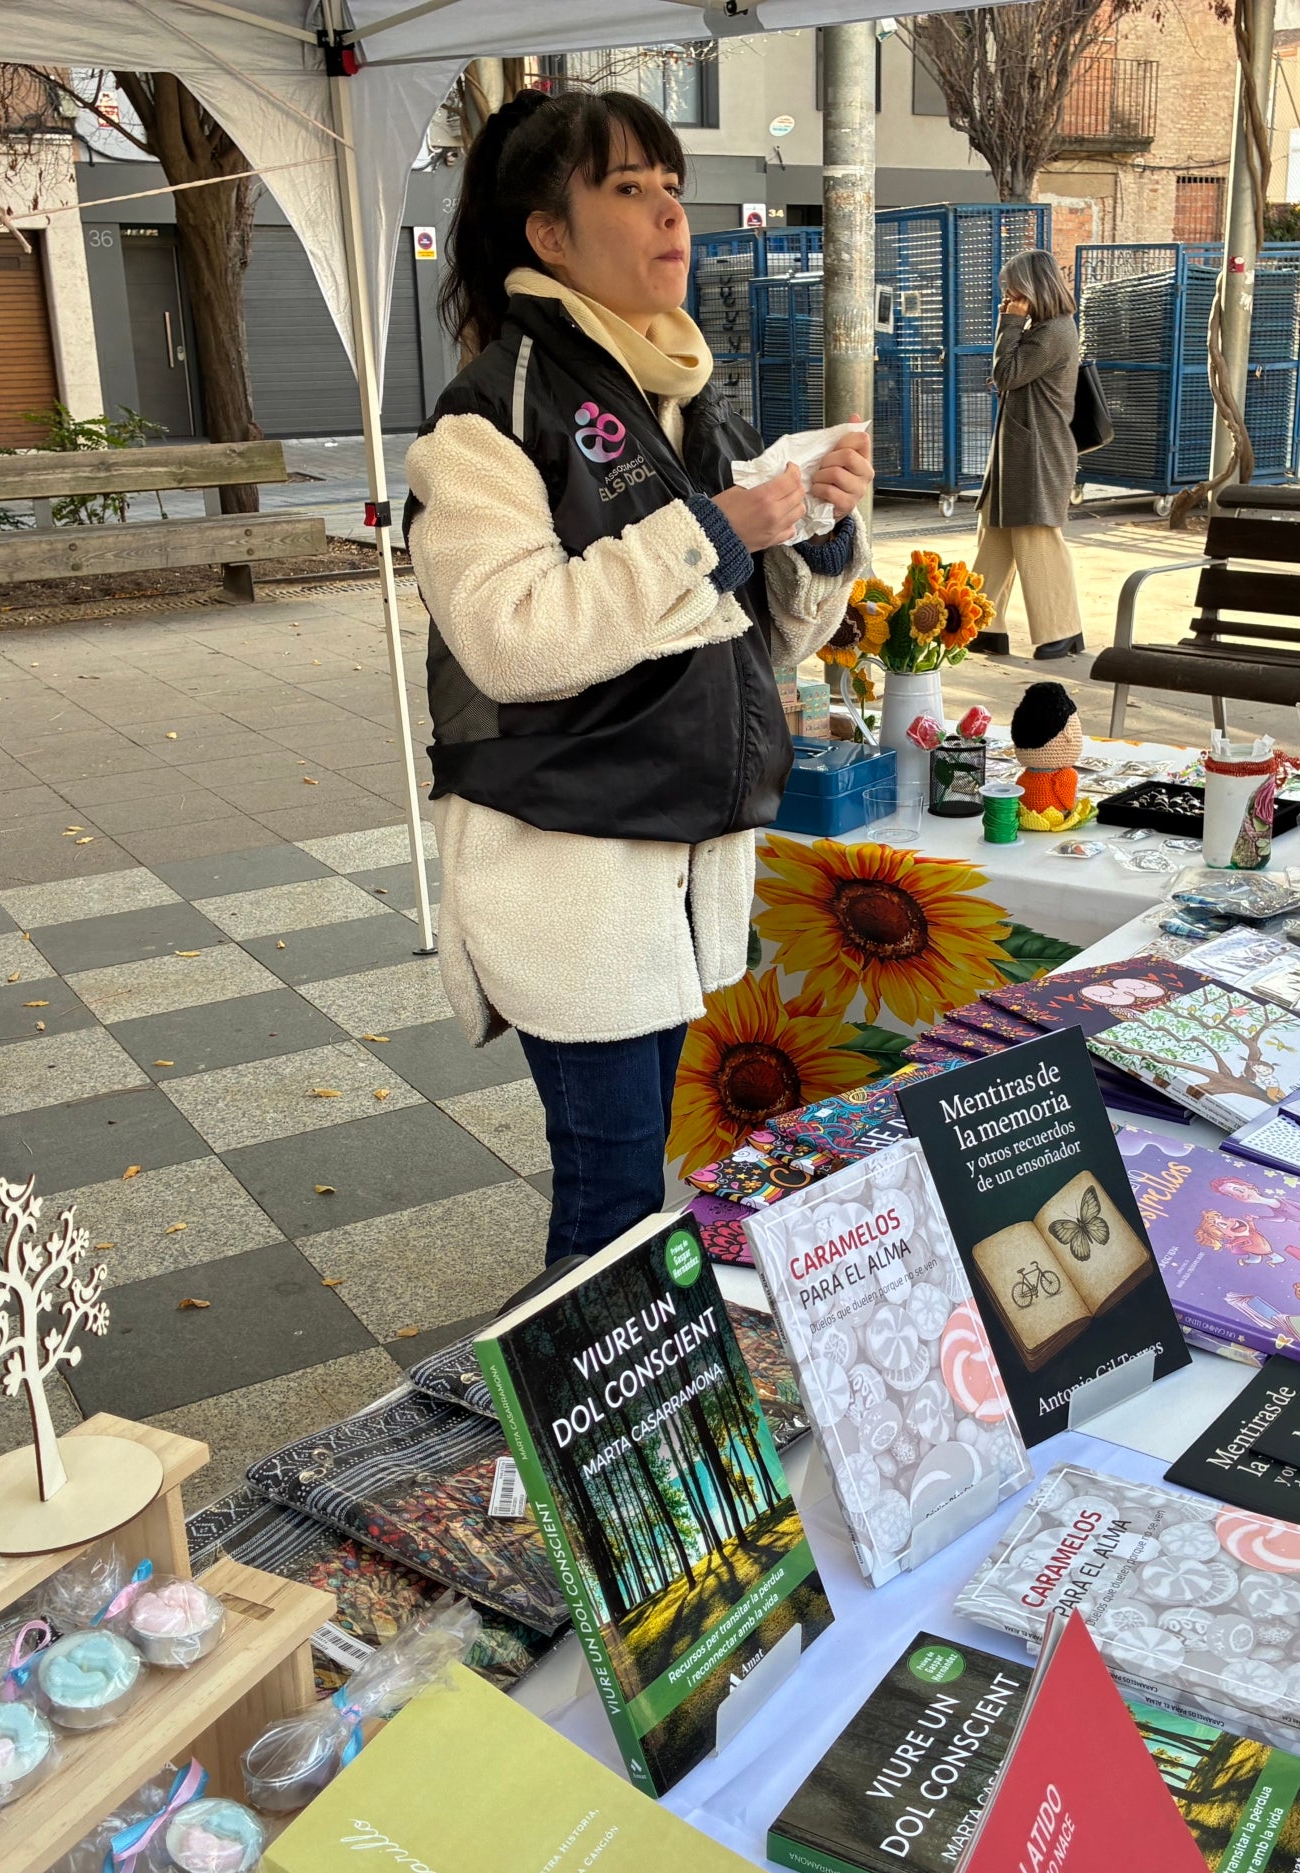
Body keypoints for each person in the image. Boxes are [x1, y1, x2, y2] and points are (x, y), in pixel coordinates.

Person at [409, 89, 871, 1264]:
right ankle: (571, 1432)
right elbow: (511, 636)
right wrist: (716, 530)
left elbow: (749, 644)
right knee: (610, 1194)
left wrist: (811, 535)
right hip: (566, 858)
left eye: (672, 186)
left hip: (671, 856)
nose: (670, 214)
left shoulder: (675, 399)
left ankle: (616, 1408)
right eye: (628, 189)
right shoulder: (488, 417)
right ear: (547, 236)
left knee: (635, 1175)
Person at [974, 248, 1084, 660]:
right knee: (997, 533)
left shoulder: (1053, 331)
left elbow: (1006, 374)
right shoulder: (1043, 327)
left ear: (1034, 287)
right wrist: (1016, 322)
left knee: (1037, 537)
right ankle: (983, 623)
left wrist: (1011, 321)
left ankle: (1063, 628)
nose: (1008, 297)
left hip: (1038, 451)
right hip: (1021, 448)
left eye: (1014, 289)